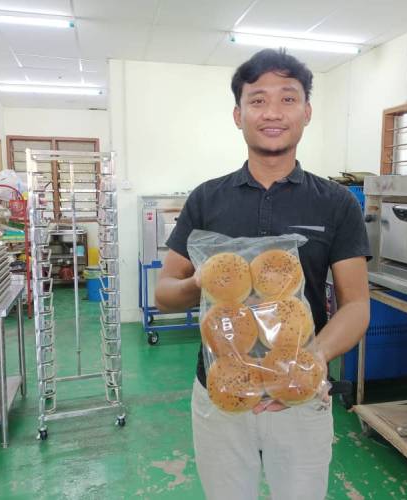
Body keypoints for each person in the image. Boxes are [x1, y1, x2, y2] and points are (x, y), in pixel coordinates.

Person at [154, 48, 371, 500]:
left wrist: (310, 361)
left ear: (306, 112)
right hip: (221, 390)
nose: (272, 112)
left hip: (300, 392)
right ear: (238, 114)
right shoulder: (206, 199)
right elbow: (164, 293)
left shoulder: (335, 203)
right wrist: (199, 282)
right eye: (257, 100)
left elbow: (357, 305)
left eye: (288, 99)